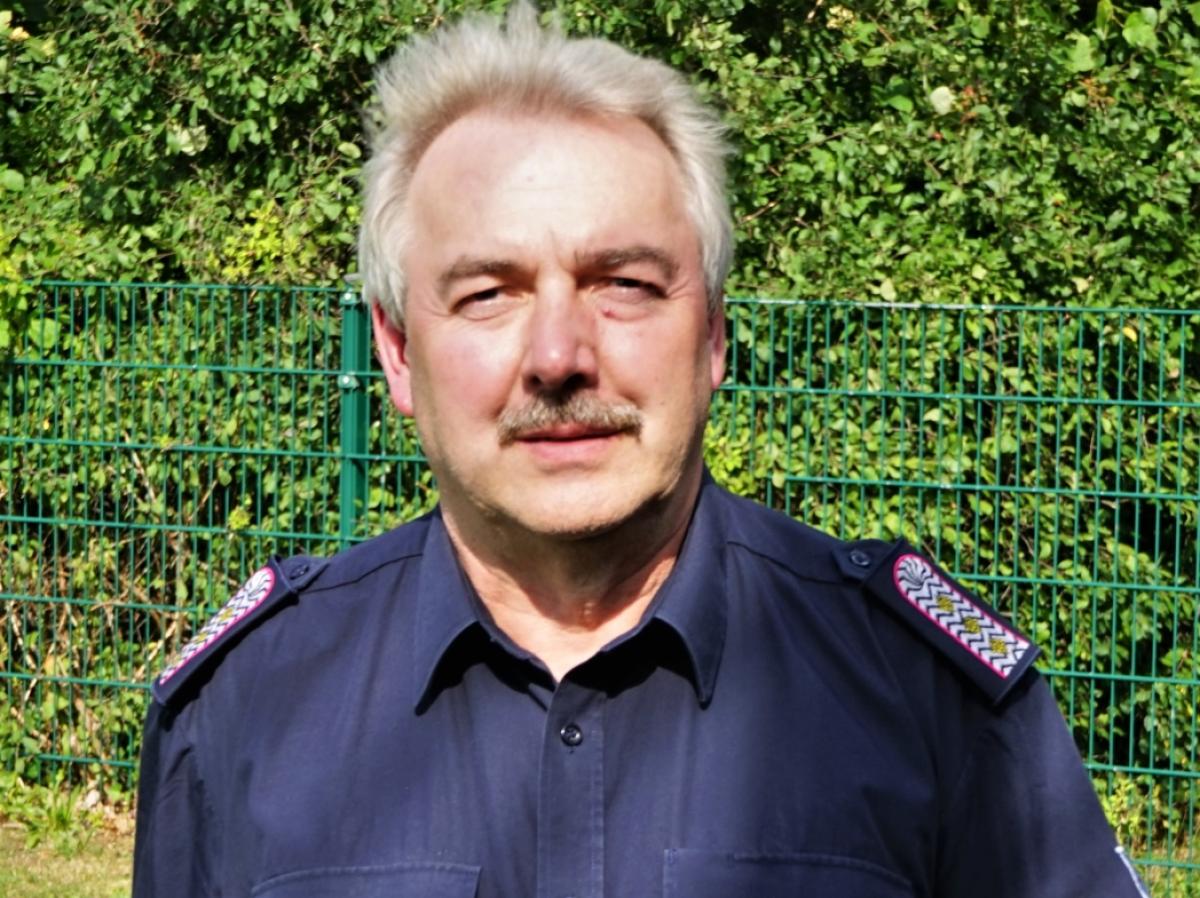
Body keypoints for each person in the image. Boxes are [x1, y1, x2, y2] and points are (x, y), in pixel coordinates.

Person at [133, 4, 1150, 897]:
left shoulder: (923, 696)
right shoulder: (244, 710)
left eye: (624, 284)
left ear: (712, 335)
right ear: (398, 352)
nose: (558, 357)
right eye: (487, 293)